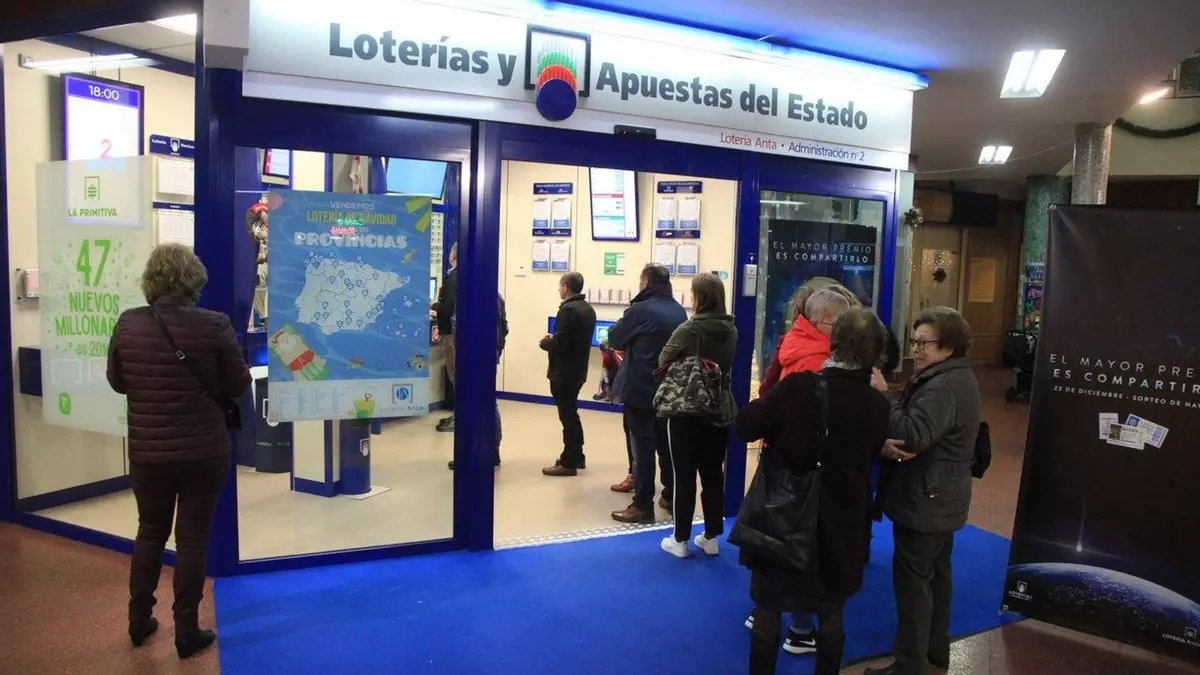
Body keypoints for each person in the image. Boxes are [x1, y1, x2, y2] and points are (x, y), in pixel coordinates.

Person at [106, 244, 252, 660]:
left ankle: (139, 620)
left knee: (150, 531)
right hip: (204, 451)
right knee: (192, 538)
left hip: (148, 451)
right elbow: (239, 383)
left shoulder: (129, 322)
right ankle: (186, 630)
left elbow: (118, 381)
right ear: (194, 281)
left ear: (150, 280)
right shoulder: (215, 324)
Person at [736, 308, 892, 675]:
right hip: (844, 521)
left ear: (833, 341)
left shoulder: (799, 387)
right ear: (876, 352)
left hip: (783, 515)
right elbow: (872, 455)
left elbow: (745, 427)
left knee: (768, 607)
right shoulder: (878, 404)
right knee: (832, 610)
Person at [865, 307, 981, 675]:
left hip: (926, 497)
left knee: (914, 583)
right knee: (937, 576)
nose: (916, 350)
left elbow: (912, 435)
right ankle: (933, 652)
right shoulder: (953, 376)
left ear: (948, 347)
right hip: (942, 494)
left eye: (923, 343)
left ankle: (909, 664)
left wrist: (885, 396)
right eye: (914, 341)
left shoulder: (943, 385)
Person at [744, 285, 855, 653]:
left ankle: (766, 608)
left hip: (780, 456)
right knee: (805, 544)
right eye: (841, 322)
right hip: (806, 465)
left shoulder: (794, 343)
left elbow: (768, 391)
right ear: (823, 322)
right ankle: (800, 628)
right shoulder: (820, 360)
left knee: (777, 535)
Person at [656, 273, 737, 557]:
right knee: (713, 474)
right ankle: (711, 537)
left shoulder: (689, 329)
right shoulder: (731, 331)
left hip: (686, 408)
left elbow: (663, 359)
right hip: (718, 407)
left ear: (698, 297)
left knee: (683, 475)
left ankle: (680, 540)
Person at [608, 264, 687, 524]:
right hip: (668, 391)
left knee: (642, 450)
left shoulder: (640, 310)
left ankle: (642, 506)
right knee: (666, 447)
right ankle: (670, 496)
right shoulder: (678, 311)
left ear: (646, 282)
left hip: (641, 389)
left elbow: (615, 338)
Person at [540, 271, 597, 477]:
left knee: (568, 416)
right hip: (578, 370)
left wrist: (545, 342)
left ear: (566, 287)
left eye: (560, 286)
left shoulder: (568, 310)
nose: (559, 289)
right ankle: (577, 455)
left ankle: (569, 462)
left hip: (564, 372)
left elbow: (561, 343)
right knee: (571, 412)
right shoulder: (587, 309)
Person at [447, 293, 508, 470]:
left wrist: (461, 355)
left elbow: (457, 327)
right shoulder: (497, 296)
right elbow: (504, 328)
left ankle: (468, 453)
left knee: (467, 404)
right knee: (489, 402)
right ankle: (492, 450)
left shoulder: (468, 295)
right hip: (490, 355)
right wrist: (496, 351)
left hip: (471, 357)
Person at [431, 243, 458, 432]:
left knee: (455, 375)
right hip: (455, 333)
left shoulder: (453, 278)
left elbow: (449, 308)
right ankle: (459, 415)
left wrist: (433, 306)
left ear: (453, 255)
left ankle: (459, 418)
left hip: (451, 335)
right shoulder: (464, 276)